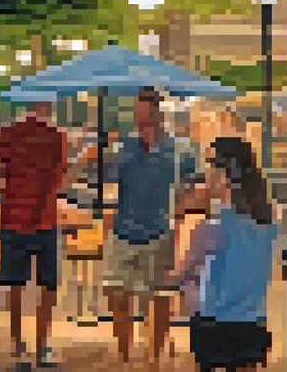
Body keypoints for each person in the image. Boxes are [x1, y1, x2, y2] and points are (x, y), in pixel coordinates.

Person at [104, 88, 201, 366]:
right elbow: (112, 184)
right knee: (118, 294)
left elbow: (197, 184)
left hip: (159, 231)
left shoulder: (179, 149)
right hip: (123, 231)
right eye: (137, 116)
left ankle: (153, 358)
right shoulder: (126, 148)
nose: (139, 122)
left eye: (145, 117)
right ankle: (124, 355)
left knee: (158, 296)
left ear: (159, 116)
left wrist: (180, 209)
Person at [175, 137, 279, 372]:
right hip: (252, 321)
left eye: (210, 163)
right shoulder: (270, 220)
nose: (206, 171)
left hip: (214, 321)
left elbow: (182, 273)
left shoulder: (213, 224)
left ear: (224, 172)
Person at [0, 99, 68, 368]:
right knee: (48, 286)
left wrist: (6, 187)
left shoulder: (7, 132)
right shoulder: (58, 136)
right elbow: (62, 180)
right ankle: (42, 347)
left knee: (16, 285)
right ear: (49, 104)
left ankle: (18, 347)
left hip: (14, 219)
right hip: (45, 219)